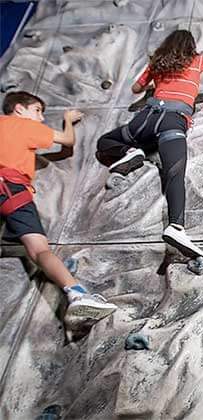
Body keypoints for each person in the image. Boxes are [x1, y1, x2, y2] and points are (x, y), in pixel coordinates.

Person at [95, 29, 203, 258]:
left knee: (105, 141)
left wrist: (155, 79)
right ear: (191, 46)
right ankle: (176, 227)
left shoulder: (157, 63)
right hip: (172, 122)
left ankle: (131, 151)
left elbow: (136, 89)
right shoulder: (197, 61)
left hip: (145, 119)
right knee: (175, 174)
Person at [0, 91, 117, 321]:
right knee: (39, 250)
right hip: (12, 191)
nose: (41, 118)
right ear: (19, 109)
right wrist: (68, 120)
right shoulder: (23, 125)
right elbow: (67, 142)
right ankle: (77, 293)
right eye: (37, 110)